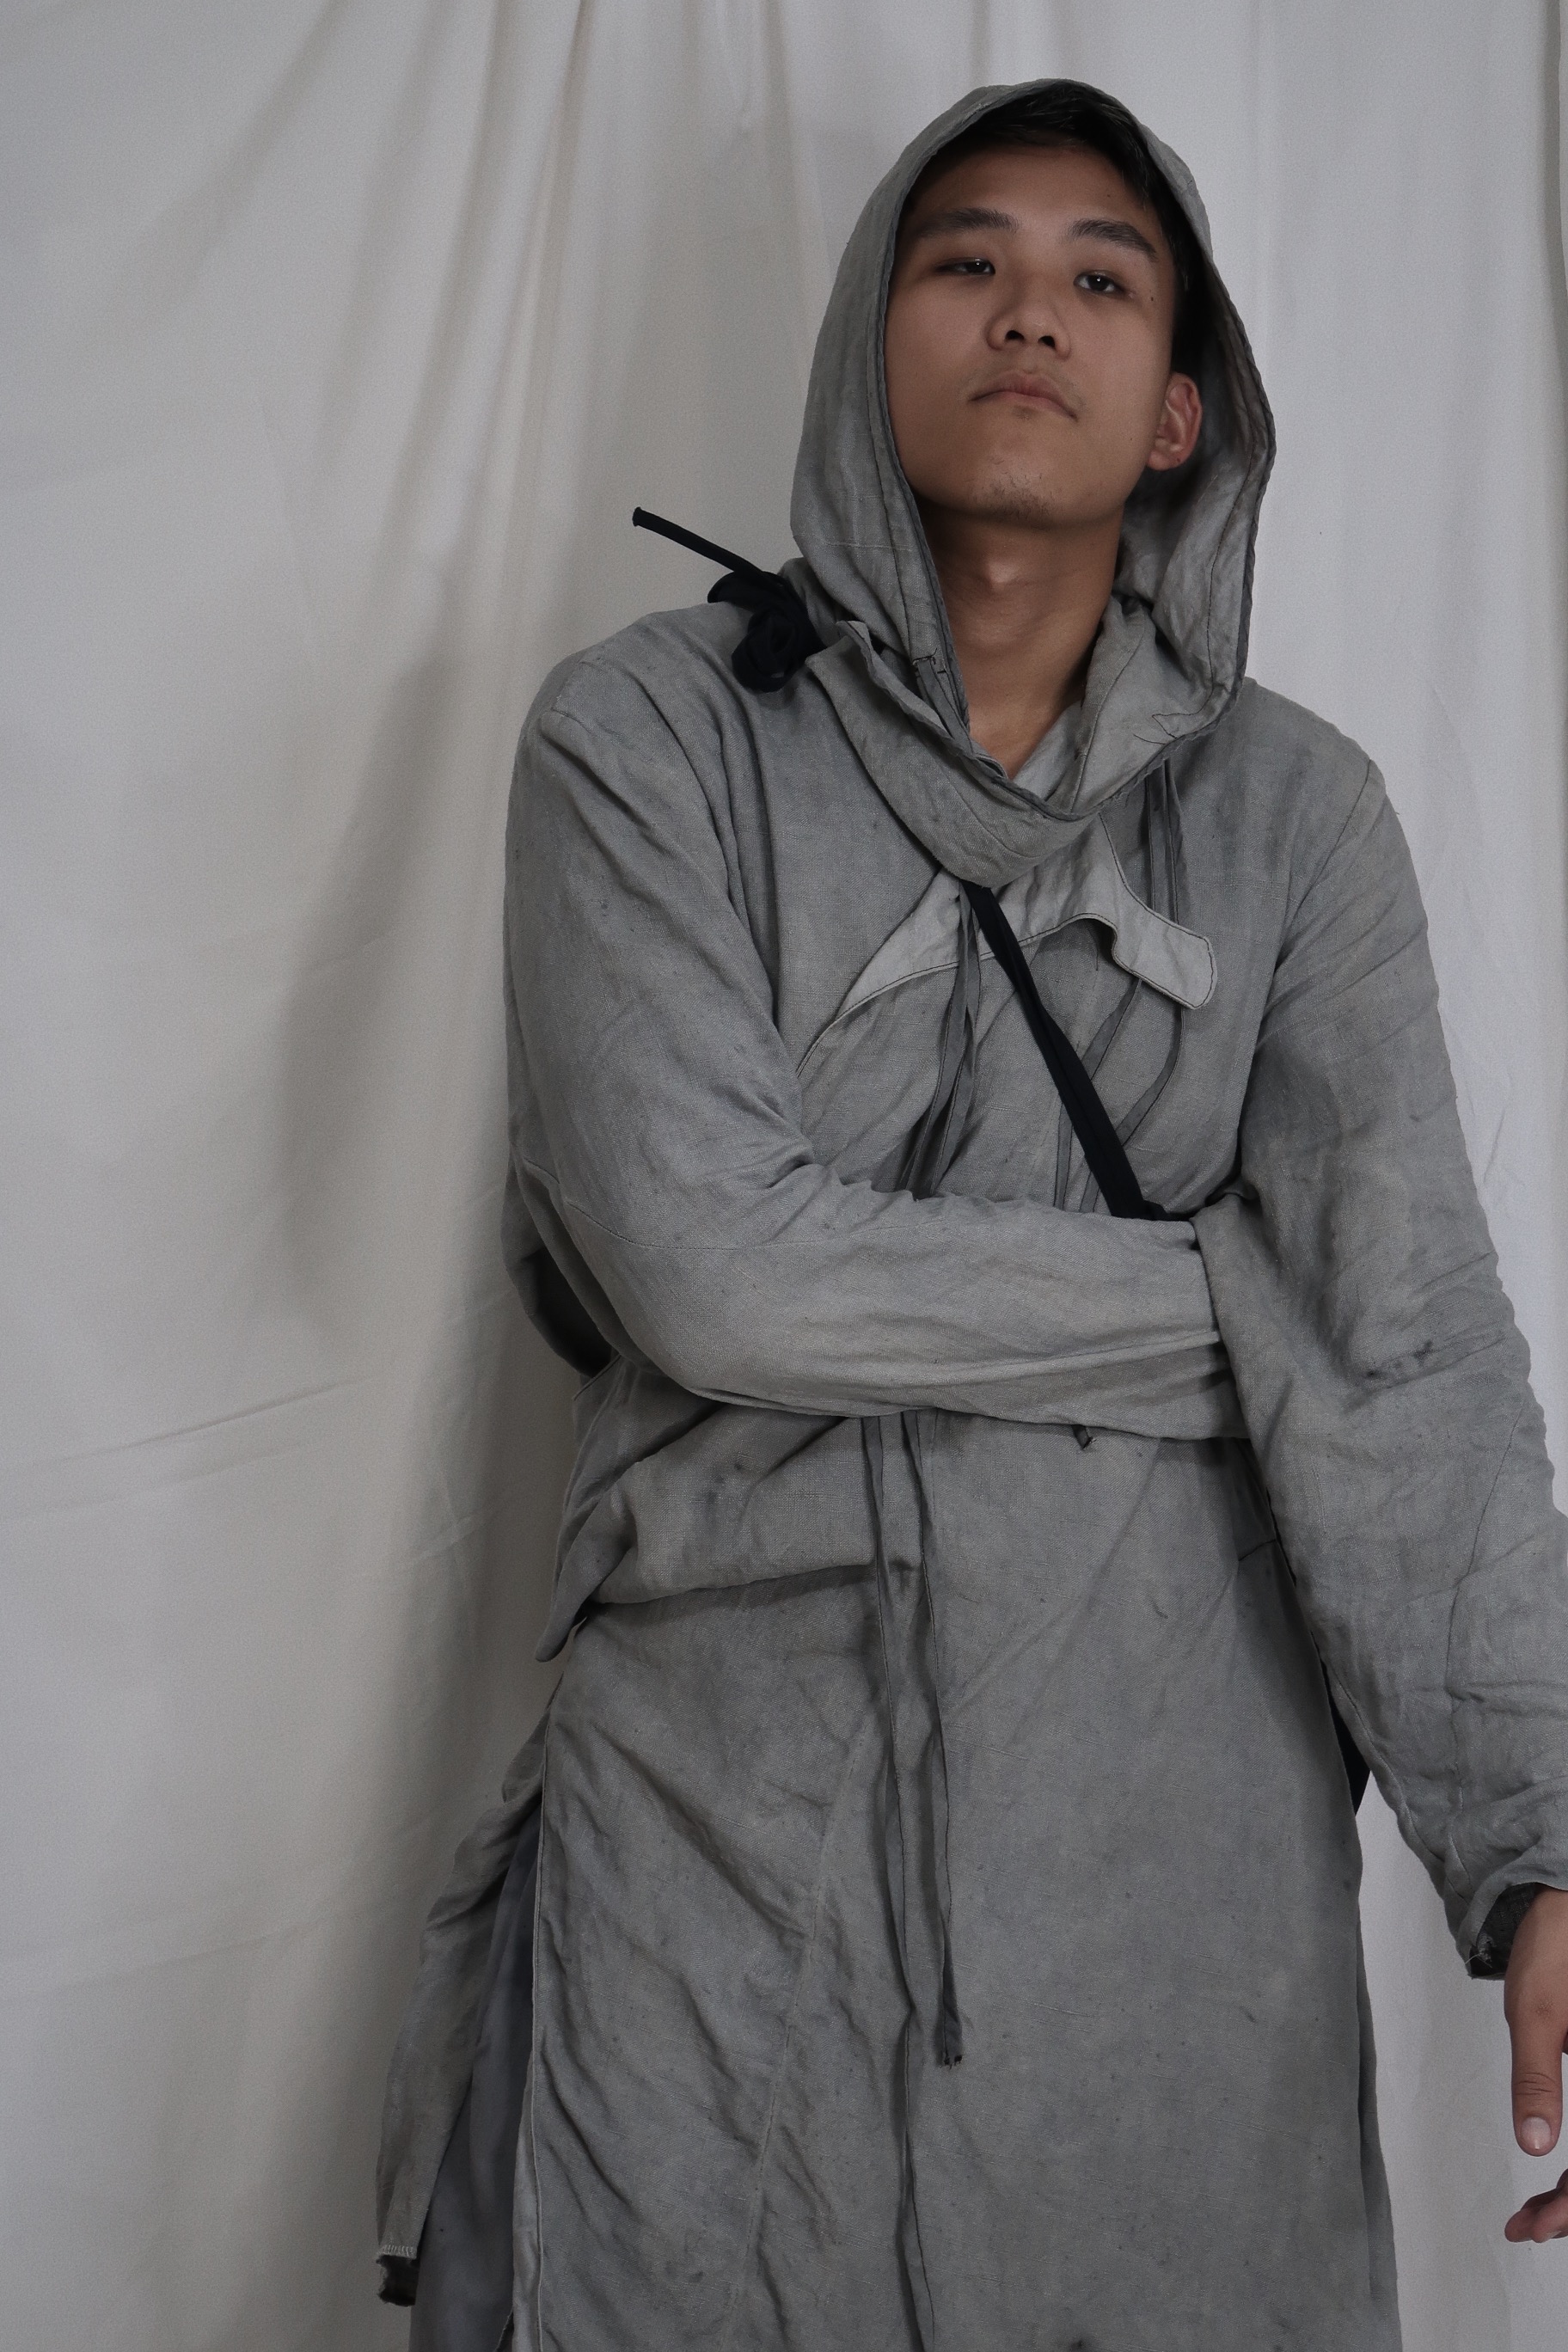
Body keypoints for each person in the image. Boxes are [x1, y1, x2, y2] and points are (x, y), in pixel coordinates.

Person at [377, 79, 1568, 2350]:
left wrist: (1542, 1845)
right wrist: (1244, 1301)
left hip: (1168, 1878)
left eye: (1102, 279)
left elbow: (1411, 1355)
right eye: (967, 262)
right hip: (724, 1862)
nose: (1031, 312)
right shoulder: (644, 745)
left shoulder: (1299, 821)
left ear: (1178, 409)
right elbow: (717, 1273)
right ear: (871, 342)